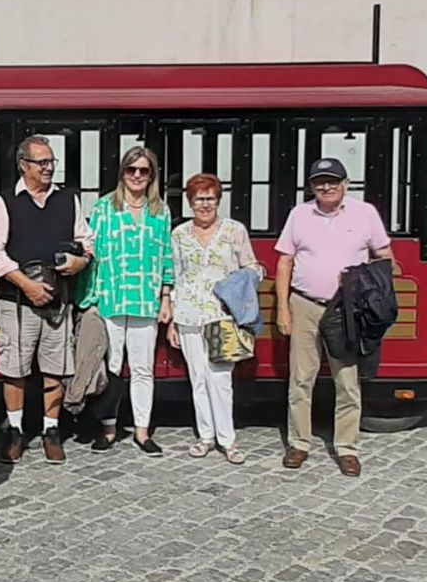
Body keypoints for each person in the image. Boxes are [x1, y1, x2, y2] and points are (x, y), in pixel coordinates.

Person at [274, 158, 392, 477]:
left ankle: (347, 448)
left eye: (332, 181)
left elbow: (384, 257)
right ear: (311, 186)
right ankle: (298, 443)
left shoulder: (365, 213)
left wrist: (365, 286)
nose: (326, 187)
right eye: (319, 182)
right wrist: (283, 308)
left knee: (347, 381)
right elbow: (285, 262)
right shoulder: (299, 214)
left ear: (346, 184)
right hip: (304, 303)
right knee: (301, 379)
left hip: (347, 309)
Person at [0, 135, 93, 465]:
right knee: (14, 368)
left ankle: (51, 430)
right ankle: (16, 431)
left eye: (51, 162)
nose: (48, 168)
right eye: (41, 162)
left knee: (55, 369)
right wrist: (26, 285)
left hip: (58, 299)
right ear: (23, 165)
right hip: (17, 300)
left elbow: (86, 240)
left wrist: (81, 261)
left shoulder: (68, 199)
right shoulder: (5, 202)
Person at [82, 146, 176, 455]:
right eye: (131, 169)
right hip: (111, 297)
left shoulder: (160, 211)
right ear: (122, 173)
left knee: (142, 368)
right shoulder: (105, 207)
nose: (137, 175)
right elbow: (92, 255)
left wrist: (166, 297)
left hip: (146, 300)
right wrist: (90, 298)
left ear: (152, 175)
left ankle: (142, 431)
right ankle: (109, 428)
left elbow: (166, 257)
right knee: (111, 366)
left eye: (143, 170)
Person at [168, 173, 261, 464]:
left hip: (222, 315)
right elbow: (176, 276)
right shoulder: (179, 234)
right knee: (197, 378)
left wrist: (240, 283)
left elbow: (253, 267)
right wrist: (171, 319)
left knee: (220, 379)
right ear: (190, 202)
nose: (205, 205)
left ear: (218, 200)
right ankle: (205, 436)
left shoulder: (235, 230)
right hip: (188, 314)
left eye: (210, 198)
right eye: (199, 199)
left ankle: (228, 439)